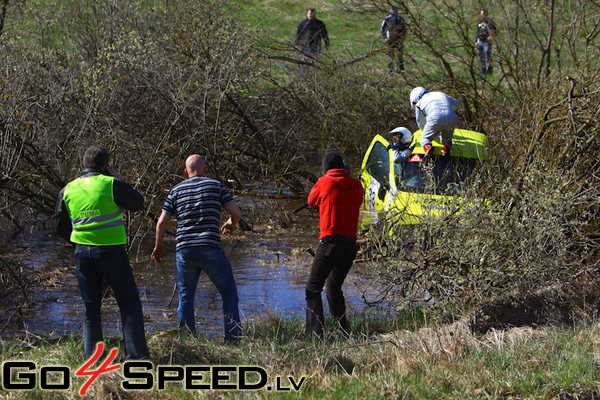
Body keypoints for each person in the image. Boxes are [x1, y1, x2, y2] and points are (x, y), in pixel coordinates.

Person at [55, 145, 150, 360]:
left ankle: (93, 359)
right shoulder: (110, 184)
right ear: (106, 166)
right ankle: (136, 359)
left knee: (90, 308)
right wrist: (117, 178)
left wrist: (78, 241)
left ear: (84, 164)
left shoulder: (68, 189)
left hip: (82, 253)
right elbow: (138, 202)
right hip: (111, 252)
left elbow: (59, 227)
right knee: (129, 303)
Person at [151, 154, 242, 343]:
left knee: (186, 296)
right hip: (209, 247)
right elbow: (237, 213)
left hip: (185, 249)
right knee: (228, 292)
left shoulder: (176, 190)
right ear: (205, 170)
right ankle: (233, 339)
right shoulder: (216, 186)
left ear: (186, 172)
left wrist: (159, 246)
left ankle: (188, 340)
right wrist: (230, 222)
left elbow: (161, 223)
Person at [305, 151, 364, 338]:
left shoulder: (324, 181)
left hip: (330, 242)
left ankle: (314, 335)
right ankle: (343, 331)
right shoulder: (357, 185)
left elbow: (311, 200)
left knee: (313, 287)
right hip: (350, 245)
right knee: (333, 287)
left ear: (326, 168)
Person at [410, 86, 459, 158]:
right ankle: (446, 149)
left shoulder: (419, 104)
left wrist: (430, 132)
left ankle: (428, 148)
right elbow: (456, 104)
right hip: (451, 116)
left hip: (434, 118)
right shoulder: (441, 94)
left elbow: (421, 123)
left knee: (424, 139)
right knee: (447, 138)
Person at [295, 7, 329, 76]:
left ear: (315, 14)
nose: (311, 15)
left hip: (316, 45)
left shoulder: (319, 24)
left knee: (316, 63)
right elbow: (298, 34)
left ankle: (315, 77)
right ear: (307, 14)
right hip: (306, 45)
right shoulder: (303, 24)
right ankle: (304, 78)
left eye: (313, 14)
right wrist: (296, 43)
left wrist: (326, 43)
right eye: (310, 13)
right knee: (304, 63)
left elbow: (324, 34)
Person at [381, 5, 407, 72]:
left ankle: (402, 69)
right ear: (390, 10)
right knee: (390, 55)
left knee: (400, 55)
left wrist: (403, 37)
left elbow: (405, 28)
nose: (394, 11)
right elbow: (382, 29)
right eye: (392, 9)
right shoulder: (387, 19)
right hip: (390, 39)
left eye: (395, 9)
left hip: (399, 39)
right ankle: (390, 70)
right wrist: (385, 38)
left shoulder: (401, 18)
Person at [475, 9, 498, 74]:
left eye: (483, 14)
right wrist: (476, 41)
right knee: (480, 57)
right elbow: (477, 32)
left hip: (486, 42)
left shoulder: (489, 22)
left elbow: (496, 30)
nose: (482, 15)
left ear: (486, 14)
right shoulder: (479, 23)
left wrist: (491, 36)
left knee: (487, 56)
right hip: (480, 41)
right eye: (481, 14)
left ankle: (489, 71)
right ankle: (482, 71)